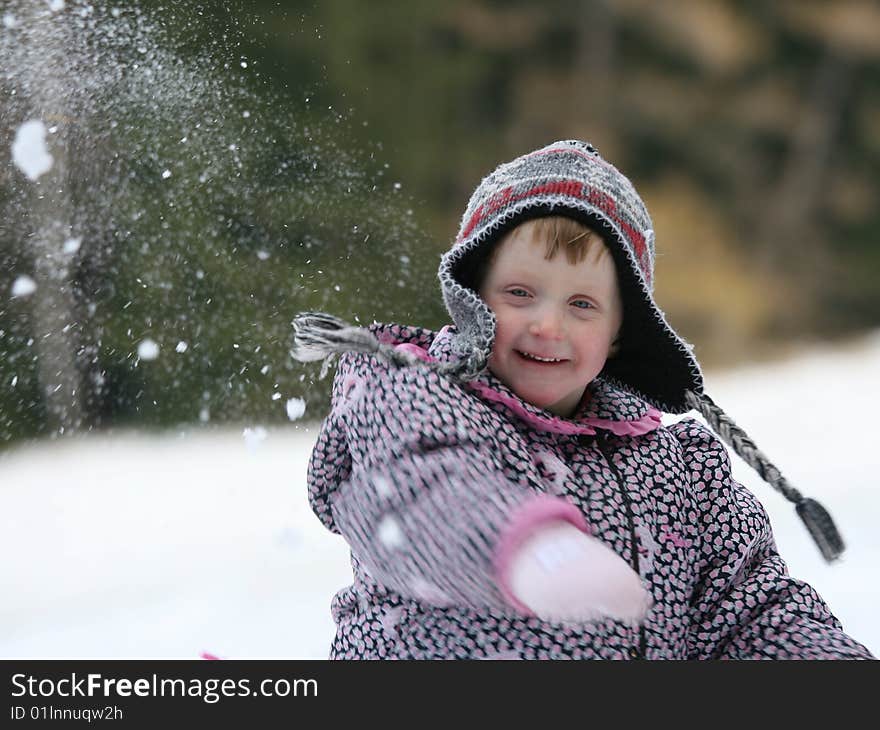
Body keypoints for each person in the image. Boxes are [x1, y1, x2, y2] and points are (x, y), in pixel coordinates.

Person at [293, 139, 874, 659]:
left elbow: (748, 614)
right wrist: (526, 549)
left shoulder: (683, 471)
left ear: (622, 331)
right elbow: (421, 497)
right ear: (472, 298)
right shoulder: (408, 396)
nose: (548, 325)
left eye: (582, 305)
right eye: (520, 293)